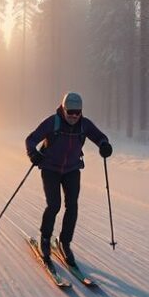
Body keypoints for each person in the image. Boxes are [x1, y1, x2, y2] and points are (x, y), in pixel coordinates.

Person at [25, 92, 112, 272]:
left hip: (72, 169)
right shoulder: (52, 122)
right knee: (54, 205)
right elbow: (31, 139)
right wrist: (33, 153)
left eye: (77, 112)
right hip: (50, 169)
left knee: (72, 206)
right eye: (70, 111)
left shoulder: (84, 124)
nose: (73, 116)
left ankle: (65, 243)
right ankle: (45, 239)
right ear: (63, 109)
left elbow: (100, 137)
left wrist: (104, 145)